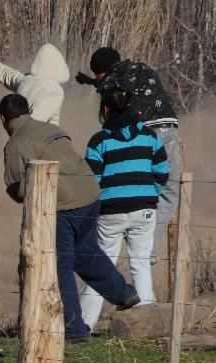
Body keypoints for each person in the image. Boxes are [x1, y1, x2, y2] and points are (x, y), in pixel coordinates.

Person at [0, 93, 139, 342]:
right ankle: (124, 293)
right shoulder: (50, 128)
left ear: (3, 118)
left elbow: (17, 189)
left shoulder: (15, 144)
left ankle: (74, 330)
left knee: (60, 265)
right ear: (28, 110)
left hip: (62, 207)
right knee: (86, 253)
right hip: (90, 196)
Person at [75, 47, 182, 263]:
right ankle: (147, 243)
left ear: (101, 71)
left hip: (143, 136)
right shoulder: (140, 68)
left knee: (125, 188)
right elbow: (126, 86)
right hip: (169, 131)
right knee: (170, 192)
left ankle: (136, 234)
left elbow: (112, 96)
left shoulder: (110, 82)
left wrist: (96, 84)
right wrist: (93, 82)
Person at [79, 89, 169, 330]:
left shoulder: (99, 141)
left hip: (110, 212)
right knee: (140, 264)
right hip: (145, 210)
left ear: (106, 109)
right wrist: (148, 194)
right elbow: (162, 172)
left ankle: (84, 325)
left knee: (102, 267)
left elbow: (92, 179)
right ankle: (145, 326)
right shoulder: (150, 136)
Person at [0, 43, 70, 125]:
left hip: (19, 134)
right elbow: (36, 122)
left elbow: (8, 75)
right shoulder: (55, 92)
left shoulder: (25, 80)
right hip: (39, 140)